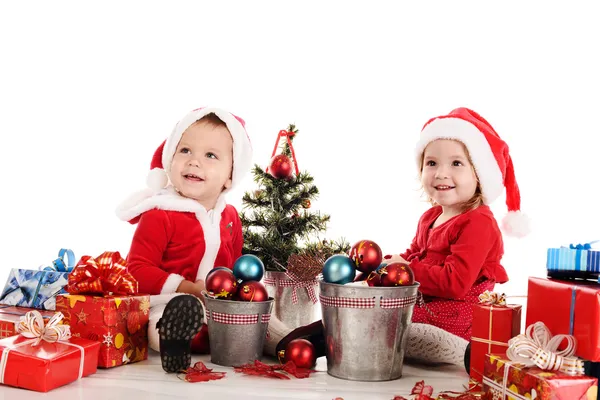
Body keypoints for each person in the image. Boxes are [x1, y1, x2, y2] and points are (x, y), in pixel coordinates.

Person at [271, 107, 529, 372]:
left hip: (454, 313)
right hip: (426, 303)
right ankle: (301, 339)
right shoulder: (431, 217)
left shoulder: (479, 222)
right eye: (432, 163)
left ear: (480, 174)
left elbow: (456, 282)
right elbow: (414, 254)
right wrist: (386, 265)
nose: (440, 173)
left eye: (456, 163)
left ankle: (309, 341)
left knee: (389, 321)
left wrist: (404, 269)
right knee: (367, 300)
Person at [116, 107, 252, 373]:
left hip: (218, 306)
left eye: (210, 155)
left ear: (230, 176)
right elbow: (136, 271)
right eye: (185, 151)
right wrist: (188, 288)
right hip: (167, 302)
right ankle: (173, 341)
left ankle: (292, 341)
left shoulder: (230, 216)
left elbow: (235, 266)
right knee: (156, 321)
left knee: (257, 319)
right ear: (170, 159)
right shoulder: (160, 214)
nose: (194, 162)